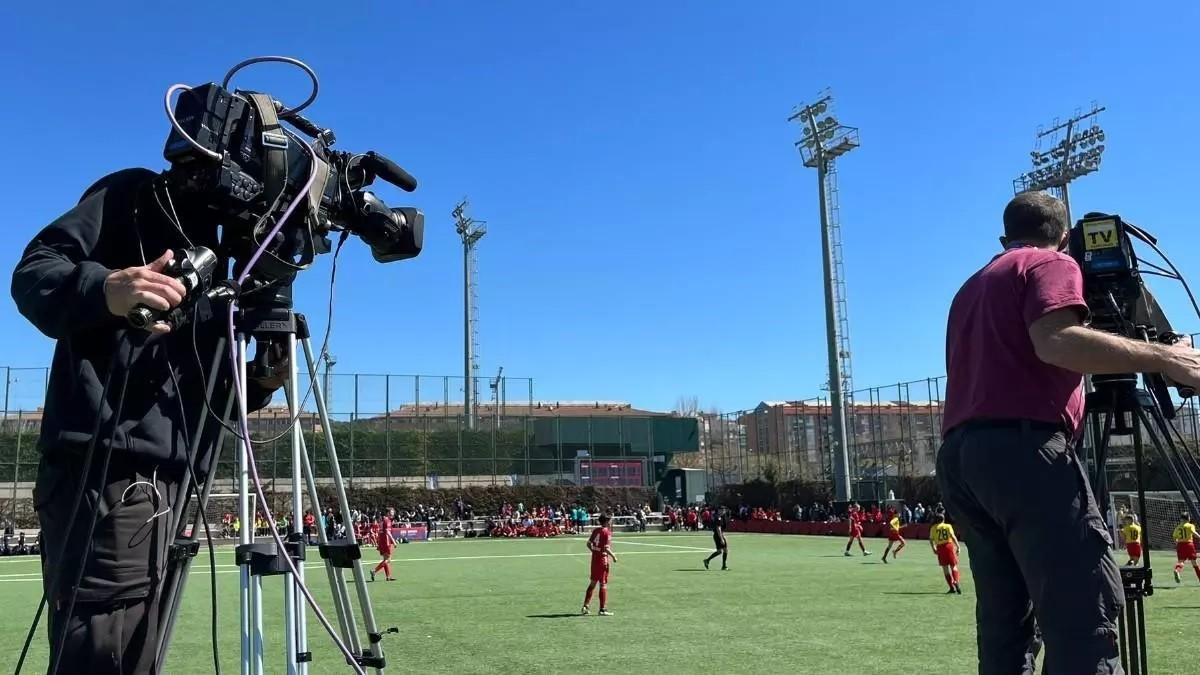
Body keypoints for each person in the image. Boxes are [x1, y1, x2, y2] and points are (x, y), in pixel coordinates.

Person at [11, 168, 288, 673]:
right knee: (103, 653)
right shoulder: (138, 196)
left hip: (177, 479)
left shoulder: (237, 247)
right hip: (109, 473)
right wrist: (107, 289)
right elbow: (33, 273)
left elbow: (202, 386)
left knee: (137, 652)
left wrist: (260, 382)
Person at [937, 191, 1200, 674]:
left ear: (1004, 237)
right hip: (1025, 448)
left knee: (1005, 626)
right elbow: (1055, 340)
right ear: (1064, 238)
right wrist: (1166, 357)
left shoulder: (973, 285)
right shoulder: (1048, 264)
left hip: (963, 457)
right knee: (1083, 615)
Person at [581, 513, 617, 616]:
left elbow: (588, 543)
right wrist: (614, 556)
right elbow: (606, 548)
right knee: (603, 584)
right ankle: (602, 609)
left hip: (594, 560)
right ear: (606, 521)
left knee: (592, 583)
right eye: (609, 520)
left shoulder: (596, 530)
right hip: (602, 560)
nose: (610, 522)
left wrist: (594, 551)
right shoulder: (606, 532)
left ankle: (585, 606)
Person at [929, 514, 962, 594]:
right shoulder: (948, 526)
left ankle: (951, 588)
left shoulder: (933, 528)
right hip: (949, 546)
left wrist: (933, 548)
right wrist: (958, 546)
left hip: (940, 548)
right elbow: (953, 536)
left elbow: (931, 540)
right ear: (943, 519)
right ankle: (956, 581)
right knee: (953, 565)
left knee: (945, 568)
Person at [1171, 512, 1199, 584]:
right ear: (1188, 518)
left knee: (1181, 562)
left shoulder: (1178, 527)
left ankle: (1177, 570)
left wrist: (1177, 543)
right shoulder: (1190, 525)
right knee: (1195, 563)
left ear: (1181, 519)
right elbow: (1194, 533)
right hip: (1189, 544)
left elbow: (1174, 537)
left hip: (1180, 545)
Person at [371, 507, 397, 582]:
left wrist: (379, 543)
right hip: (386, 541)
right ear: (388, 513)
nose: (393, 513)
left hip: (382, 541)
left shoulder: (382, 520)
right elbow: (387, 532)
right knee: (388, 559)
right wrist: (394, 541)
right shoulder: (387, 520)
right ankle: (374, 571)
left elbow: (380, 532)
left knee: (385, 559)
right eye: (392, 512)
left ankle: (388, 576)